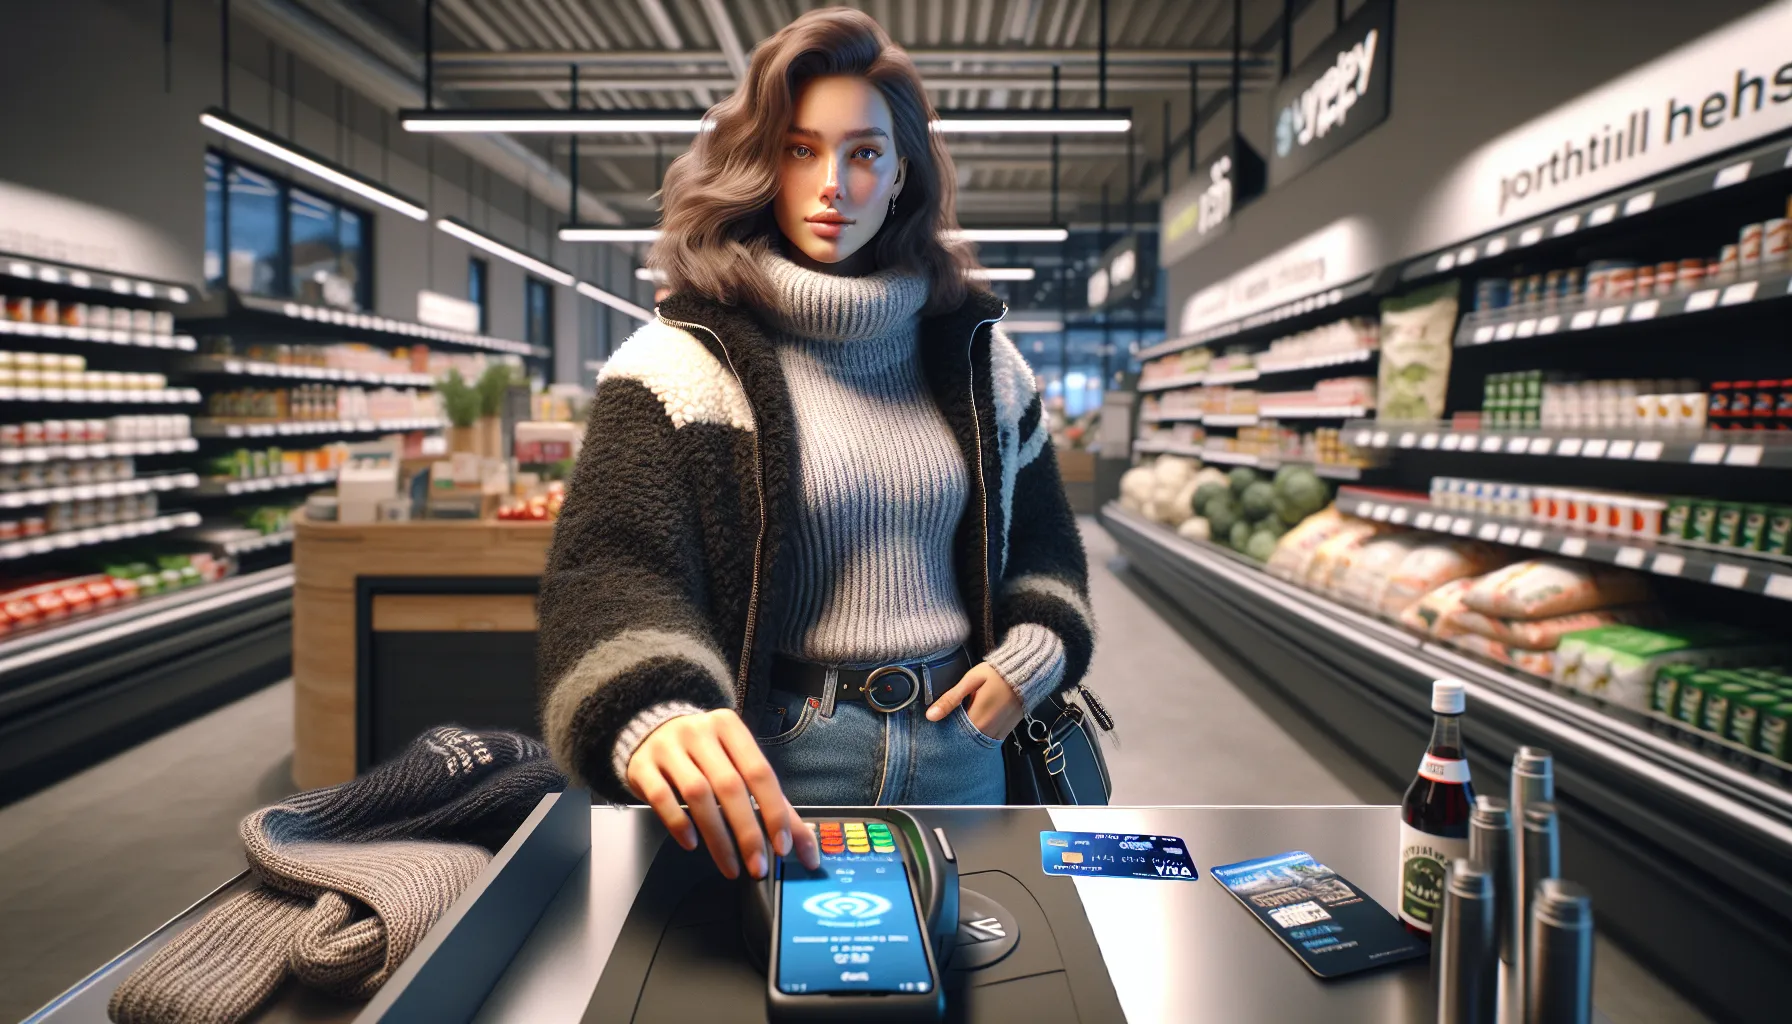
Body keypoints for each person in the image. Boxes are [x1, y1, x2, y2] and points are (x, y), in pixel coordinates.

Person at [537, 7, 1095, 882]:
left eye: (864, 152)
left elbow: (1047, 551)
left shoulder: (983, 363)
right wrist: (658, 710)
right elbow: (613, 570)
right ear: (761, 162)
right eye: (800, 149)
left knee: (992, 984)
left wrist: (1037, 653)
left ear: (902, 171)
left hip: (966, 752)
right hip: (780, 766)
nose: (833, 182)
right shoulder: (679, 364)